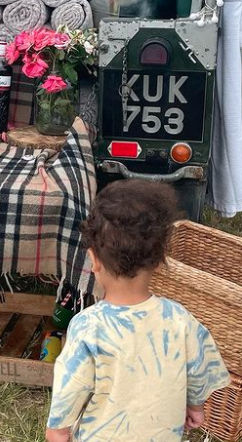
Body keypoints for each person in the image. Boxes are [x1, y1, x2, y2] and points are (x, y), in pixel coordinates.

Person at [46, 180, 230, 442]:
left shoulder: (88, 326)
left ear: (94, 260)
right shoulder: (179, 319)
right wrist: (195, 406)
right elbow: (199, 369)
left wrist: (57, 430)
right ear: (158, 261)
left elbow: (70, 388)